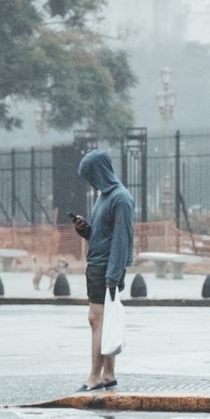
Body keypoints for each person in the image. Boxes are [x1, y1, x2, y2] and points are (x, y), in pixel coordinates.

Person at [70, 149, 135, 391]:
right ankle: (108, 375)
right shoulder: (104, 197)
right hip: (98, 266)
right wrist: (84, 230)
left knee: (96, 320)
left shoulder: (121, 198)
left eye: (91, 175)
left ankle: (94, 378)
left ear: (100, 171)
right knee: (103, 322)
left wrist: (113, 276)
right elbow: (102, 235)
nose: (90, 181)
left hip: (106, 269)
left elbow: (121, 240)